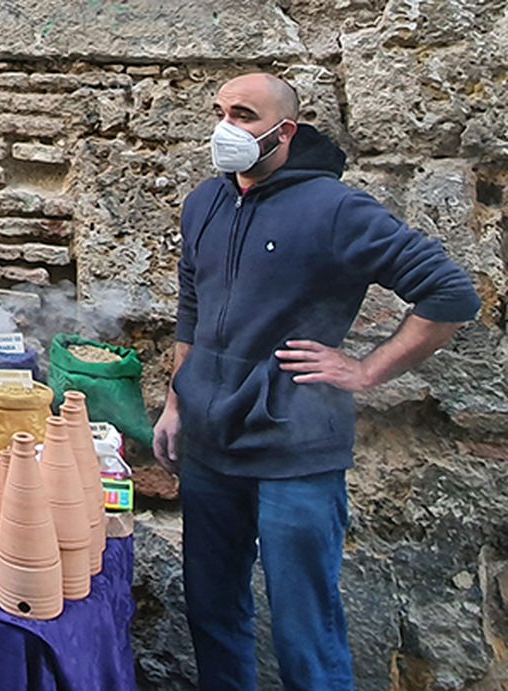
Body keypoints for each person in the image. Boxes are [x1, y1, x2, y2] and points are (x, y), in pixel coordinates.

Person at [153, 73, 481, 690]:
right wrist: (176, 400)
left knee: (305, 629)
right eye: (219, 111)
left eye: (244, 114)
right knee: (212, 612)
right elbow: (192, 307)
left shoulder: (336, 209)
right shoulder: (205, 202)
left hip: (295, 454)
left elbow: (450, 293)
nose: (226, 127)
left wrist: (366, 369)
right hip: (209, 447)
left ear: (286, 131)